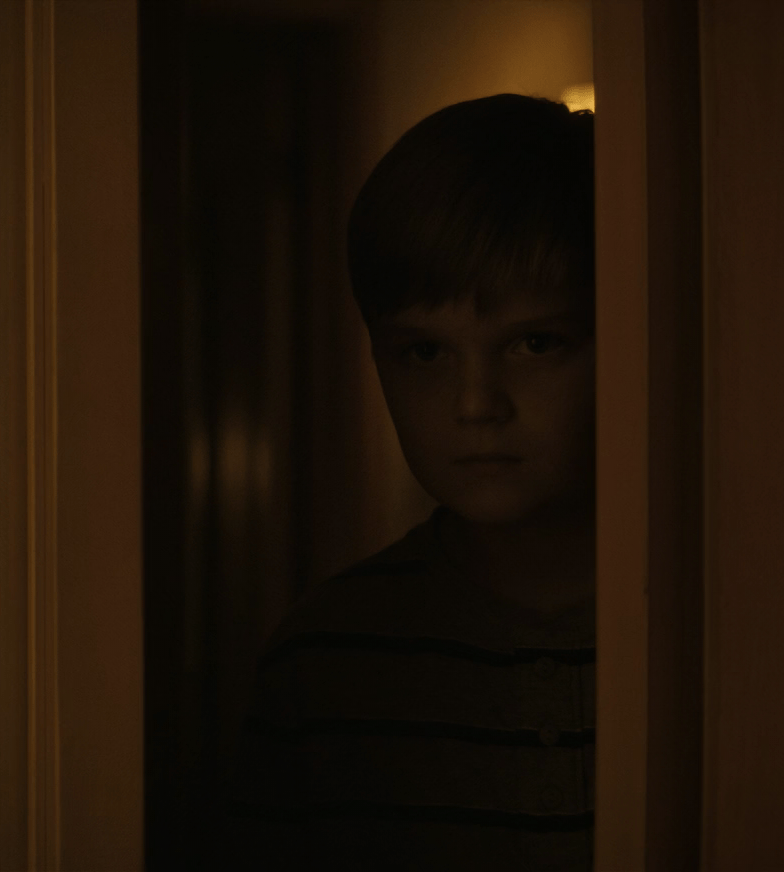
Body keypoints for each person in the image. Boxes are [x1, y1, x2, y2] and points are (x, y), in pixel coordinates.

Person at [225, 93, 597, 870]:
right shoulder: (327, 661)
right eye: (425, 353)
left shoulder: (716, 635)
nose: (476, 404)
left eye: (534, 343)